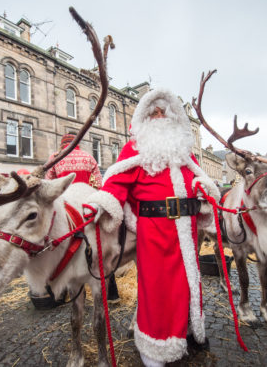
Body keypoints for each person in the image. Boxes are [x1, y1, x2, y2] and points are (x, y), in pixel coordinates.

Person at [85, 89, 219, 366]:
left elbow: (196, 180)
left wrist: (202, 191)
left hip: (187, 229)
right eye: (153, 113)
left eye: (163, 113)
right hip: (154, 230)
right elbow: (117, 182)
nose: (159, 118)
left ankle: (185, 331)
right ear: (143, 118)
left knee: (187, 284)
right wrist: (100, 203)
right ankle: (154, 345)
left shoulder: (184, 151)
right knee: (156, 287)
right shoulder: (134, 148)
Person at [43, 134, 121, 303]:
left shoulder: (55, 159)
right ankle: (112, 295)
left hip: (67, 213)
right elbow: (100, 186)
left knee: (66, 253)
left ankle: (71, 296)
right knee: (100, 252)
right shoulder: (89, 157)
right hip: (88, 210)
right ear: (77, 144)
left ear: (62, 144)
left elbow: (47, 185)